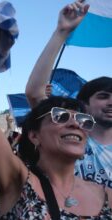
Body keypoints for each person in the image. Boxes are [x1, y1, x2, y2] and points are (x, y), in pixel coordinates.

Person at [0, 6, 112, 220]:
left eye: (82, 120)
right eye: (61, 116)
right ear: (34, 135)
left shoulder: (107, 196)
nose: (75, 124)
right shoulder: (18, 181)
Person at [24, 0, 112, 188]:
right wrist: (61, 32)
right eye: (103, 96)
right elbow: (34, 93)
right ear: (84, 105)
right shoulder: (68, 137)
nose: (111, 103)